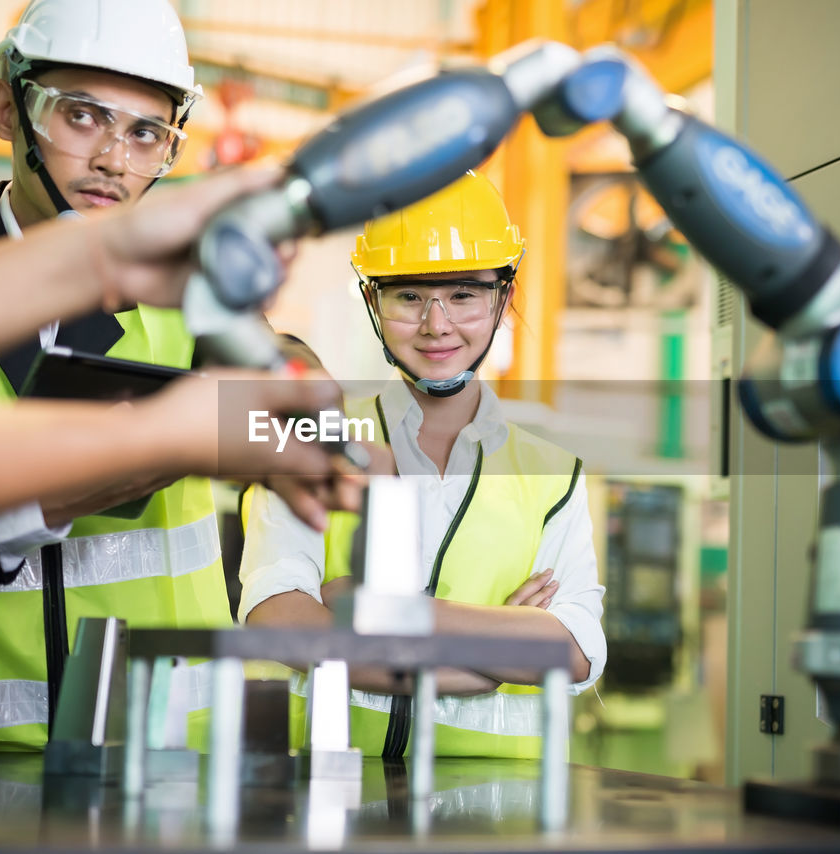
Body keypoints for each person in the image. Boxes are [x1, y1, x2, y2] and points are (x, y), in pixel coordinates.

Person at [0, 0, 337, 752]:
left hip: (149, 766)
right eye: (82, 117)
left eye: (146, 133)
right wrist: (117, 458)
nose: (113, 159)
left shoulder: (203, 303)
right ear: (8, 108)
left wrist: (308, 396)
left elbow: (316, 430)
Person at [239, 171, 605, 759]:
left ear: (502, 299)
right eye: (409, 296)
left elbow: (574, 650)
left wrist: (383, 612)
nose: (437, 325)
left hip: (502, 814)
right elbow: (276, 616)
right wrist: (490, 657)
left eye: (463, 295)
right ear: (373, 301)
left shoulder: (554, 475)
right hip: (333, 795)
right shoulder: (312, 438)